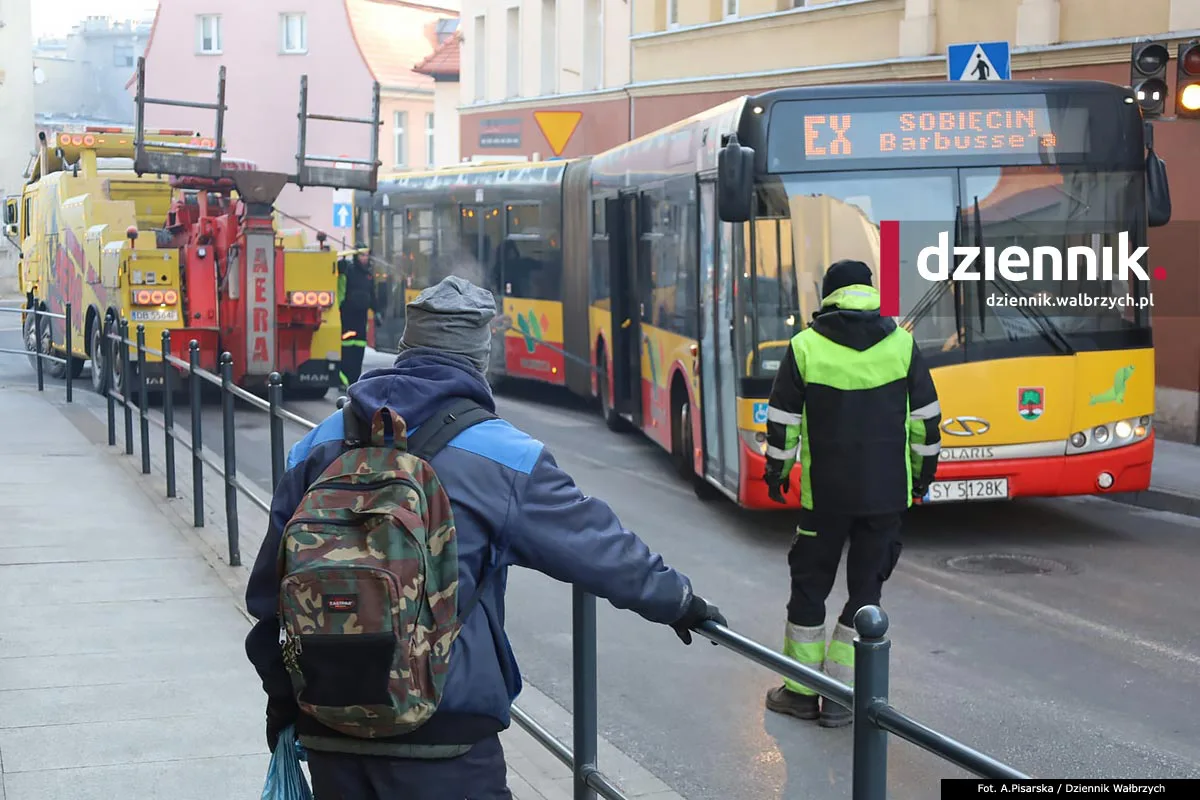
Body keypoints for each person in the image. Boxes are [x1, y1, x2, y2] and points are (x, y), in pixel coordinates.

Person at [244, 275, 726, 799]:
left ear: (406, 349)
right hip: (445, 737)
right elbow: (600, 547)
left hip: (328, 728)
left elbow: (269, 596)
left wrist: (284, 700)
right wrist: (679, 601)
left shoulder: (317, 445)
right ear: (480, 358)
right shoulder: (507, 457)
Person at [761, 259, 941, 728]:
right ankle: (842, 698)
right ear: (868, 292)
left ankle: (800, 693)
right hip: (885, 498)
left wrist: (776, 474)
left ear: (828, 295)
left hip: (825, 499)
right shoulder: (901, 344)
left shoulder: (804, 346)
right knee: (866, 595)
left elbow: (781, 424)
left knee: (809, 589)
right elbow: (926, 422)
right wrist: (922, 477)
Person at [337, 247, 378, 388]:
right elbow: (341, 292)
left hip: (362, 320)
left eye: (366, 255)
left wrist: (377, 311)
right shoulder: (348, 271)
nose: (364, 258)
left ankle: (354, 381)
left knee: (359, 351)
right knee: (347, 351)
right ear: (356, 256)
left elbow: (372, 295)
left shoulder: (368, 275)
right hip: (348, 318)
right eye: (362, 255)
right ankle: (343, 380)